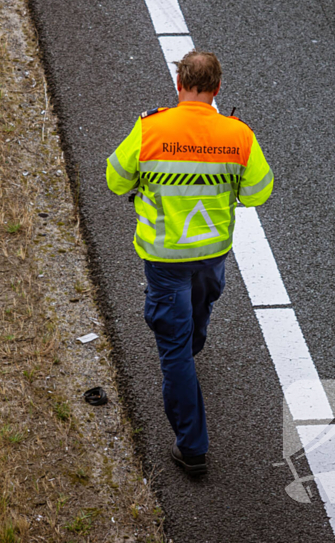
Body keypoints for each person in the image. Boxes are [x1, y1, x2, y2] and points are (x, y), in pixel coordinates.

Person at [105, 50, 274, 476]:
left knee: (175, 348)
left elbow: (115, 180)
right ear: (217, 90)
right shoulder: (239, 135)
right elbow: (258, 193)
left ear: (179, 85)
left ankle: (192, 447)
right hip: (213, 253)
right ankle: (193, 340)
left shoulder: (152, 128)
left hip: (164, 260)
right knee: (198, 313)